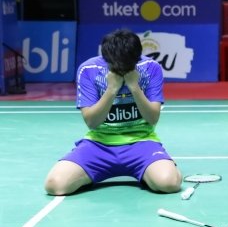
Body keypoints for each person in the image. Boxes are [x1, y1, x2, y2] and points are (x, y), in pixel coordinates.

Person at [44, 29, 182, 195]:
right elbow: (92, 122)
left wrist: (134, 86)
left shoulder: (151, 68)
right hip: (98, 145)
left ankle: (161, 167)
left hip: (141, 142)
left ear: (137, 57)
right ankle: (91, 174)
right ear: (106, 58)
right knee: (54, 185)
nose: (122, 68)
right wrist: (112, 89)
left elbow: (152, 118)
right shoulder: (89, 69)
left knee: (169, 184)